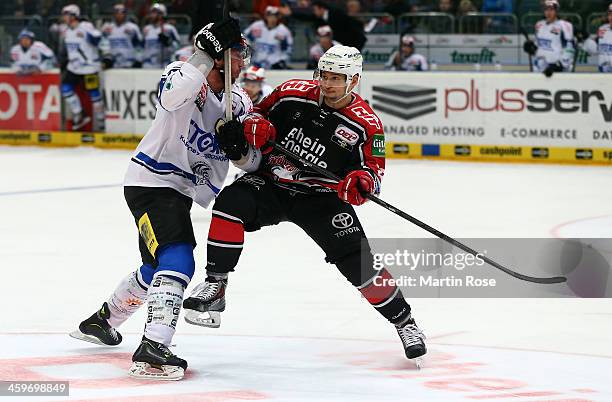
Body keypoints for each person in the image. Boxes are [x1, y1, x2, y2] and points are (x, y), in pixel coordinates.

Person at [182, 45, 427, 365]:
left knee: (358, 262)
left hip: (321, 198)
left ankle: (404, 322)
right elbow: (257, 112)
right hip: (273, 184)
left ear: (354, 81)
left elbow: (373, 172)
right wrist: (255, 124)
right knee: (230, 203)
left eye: (336, 78)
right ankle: (216, 286)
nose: (327, 83)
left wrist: (361, 182)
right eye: (324, 75)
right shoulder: (291, 92)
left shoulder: (367, 125)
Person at [69, 19, 258, 380]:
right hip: (151, 182)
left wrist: (239, 151)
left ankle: (102, 321)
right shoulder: (182, 73)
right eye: (235, 52)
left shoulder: (239, 101)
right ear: (218, 56)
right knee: (179, 257)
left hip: (181, 189)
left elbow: (248, 161)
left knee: (156, 268)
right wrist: (202, 54)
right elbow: (172, 98)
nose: (243, 59)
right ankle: (154, 347)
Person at [60, 4, 105, 131]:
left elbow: (98, 39)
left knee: (94, 94)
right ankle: (80, 114)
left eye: (67, 15)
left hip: (89, 67)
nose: (64, 18)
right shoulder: (66, 30)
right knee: (65, 88)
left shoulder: (85, 27)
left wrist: (94, 36)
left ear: (74, 16)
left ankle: (101, 121)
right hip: (73, 68)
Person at [280, 0, 366, 50]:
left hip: (355, 40)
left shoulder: (336, 14)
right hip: (343, 42)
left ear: (321, 9)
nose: (314, 12)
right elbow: (307, 16)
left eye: (315, 9)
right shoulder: (320, 17)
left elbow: (349, 27)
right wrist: (291, 13)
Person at [523, 0, 574, 77]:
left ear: (556, 10)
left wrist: (559, 65)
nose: (548, 12)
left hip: (557, 69)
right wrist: (532, 48)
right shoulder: (539, 24)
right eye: (546, 9)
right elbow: (539, 45)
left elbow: (569, 48)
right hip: (540, 68)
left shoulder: (564, 25)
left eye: (551, 9)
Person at [101, 3, 144, 68]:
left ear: (125, 14)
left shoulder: (133, 27)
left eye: (122, 12)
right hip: (112, 64)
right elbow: (103, 45)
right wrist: (106, 58)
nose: (119, 15)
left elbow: (139, 45)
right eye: (117, 12)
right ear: (114, 14)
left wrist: (138, 59)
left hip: (129, 63)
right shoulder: (107, 27)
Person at [142, 3, 180, 68]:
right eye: (151, 12)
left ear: (161, 14)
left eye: (154, 12)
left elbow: (178, 46)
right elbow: (141, 46)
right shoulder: (146, 29)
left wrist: (169, 43)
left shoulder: (169, 28)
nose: (152, 15)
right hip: (148, 64)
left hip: (164, 64)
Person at [583, 3, 612, 73]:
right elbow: (597, 46)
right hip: (602, 70)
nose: (611, 17)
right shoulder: (602, 28)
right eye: (610, 14)